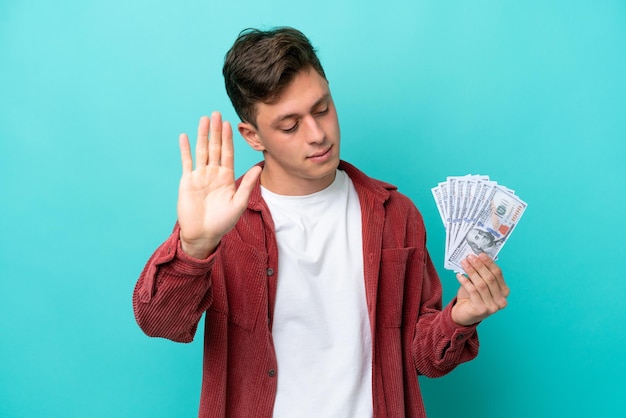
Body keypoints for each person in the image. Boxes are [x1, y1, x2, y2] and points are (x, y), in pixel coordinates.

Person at [133, 27, 510, 418]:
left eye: (322, 109)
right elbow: (161, 323)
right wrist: (195, 248)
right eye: (290, 125)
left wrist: (460, 317)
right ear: (252, 136)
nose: (317, 135)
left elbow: (423, 359)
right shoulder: (223, 220)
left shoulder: (396, 214)